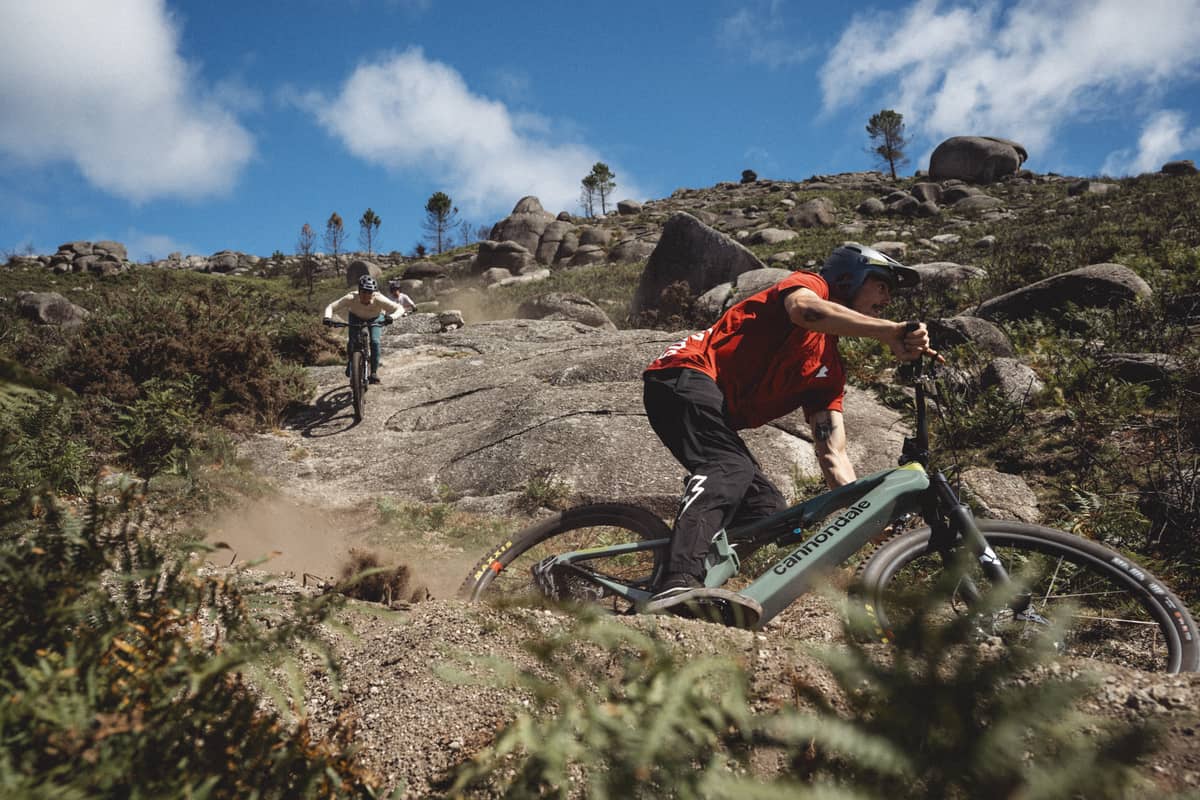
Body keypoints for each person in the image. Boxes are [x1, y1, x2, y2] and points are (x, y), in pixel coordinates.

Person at [642, 242, 939, 607]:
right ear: (851, 276)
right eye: (882, 285)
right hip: (682, 376)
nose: (887, 299)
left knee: (768, 512)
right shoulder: (809, 286)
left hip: (709, 408)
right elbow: (805, 311)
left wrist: (868, 512)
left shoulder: (826, 370)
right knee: (728, 466)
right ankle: (678, 580)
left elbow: (832, 454)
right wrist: (890, 331)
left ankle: (692, 575)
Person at [323, 275, 407, 384]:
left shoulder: (379, 298)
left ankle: (373, 373)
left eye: (369, 292)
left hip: (375, 317)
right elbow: (331, 307)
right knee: (352, 341)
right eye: (363, 292)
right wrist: (327, 317)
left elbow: (399, 308)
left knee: (375, 342)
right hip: (355, 317)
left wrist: (391, 317)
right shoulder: (351, 297)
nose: (366, 296)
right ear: (359, 291)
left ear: (373, 292)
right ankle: (351, 362)